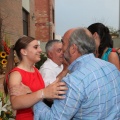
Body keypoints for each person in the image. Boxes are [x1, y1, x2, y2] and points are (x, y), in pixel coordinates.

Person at [33, 27, 120, 120]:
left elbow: (55, 118)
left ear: (73, 49)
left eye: (63, 43)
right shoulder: (111, 67)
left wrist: (33, 99)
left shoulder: (74, 81)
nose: (62, 48)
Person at [3, 36, 67, 120]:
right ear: (24, 51)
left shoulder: (36, 70)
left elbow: (46, 92)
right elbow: (15, 103)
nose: (40, 50)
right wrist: (42, 93)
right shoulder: (16, 74)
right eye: (35, 47)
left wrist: (65, 70)